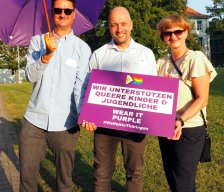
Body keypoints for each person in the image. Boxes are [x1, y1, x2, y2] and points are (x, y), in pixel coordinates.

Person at [81, 7, 157, 192]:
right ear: (109, 27)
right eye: (114, 24)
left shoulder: (145, 54)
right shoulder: (99, 54)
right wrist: (87, 114)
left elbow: (153, 89)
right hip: (104, 125)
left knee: (135, 173)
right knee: (101, 175)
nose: (119, 29)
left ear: (131, 25)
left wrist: (154, 120)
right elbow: (86, 87)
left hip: (135, 125)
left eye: (123, 24)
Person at [19, 0, 91, 191]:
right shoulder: (37, 41)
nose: (62, 13)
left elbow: (81, 87)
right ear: (52, 13)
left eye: (67, 10)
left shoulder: (82, 49)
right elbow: (30, 76)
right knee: (27, 180)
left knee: (64, 182)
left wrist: (84, 114)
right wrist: (46, 56)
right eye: (58, 10)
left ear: (74, 14)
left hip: (66, 124)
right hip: (34, 121)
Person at [156, 15, 217, 192]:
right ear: (163, 36)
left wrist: (180, 120)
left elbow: (202, 98)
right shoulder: (162, 62)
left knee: (183, 182)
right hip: (165, 128)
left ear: (186, 32)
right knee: (172, 178)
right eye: (168, 33)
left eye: (178, 31)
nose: (173, 36)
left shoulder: (195, 58)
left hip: (189, 128)